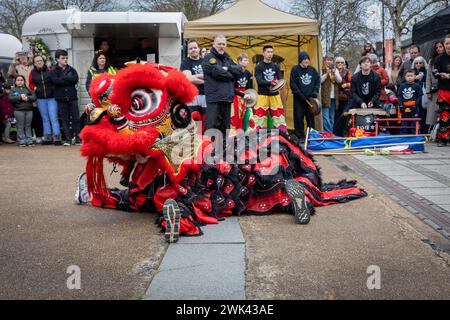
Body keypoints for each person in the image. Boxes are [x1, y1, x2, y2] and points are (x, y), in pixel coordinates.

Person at [202, 35, 243, 137]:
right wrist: (230, 74)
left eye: (223, 44)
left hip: (227, 99)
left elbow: (239, 70)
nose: (221, 46)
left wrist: (227, 68)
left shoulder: (228, 58)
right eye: (219, 44)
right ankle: (209, 150)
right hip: (214, 99)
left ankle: (224, 151)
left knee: (225, 129)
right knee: (212, 128)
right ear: (214, 45)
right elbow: (217, 72)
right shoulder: (209, 57)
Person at [50, 49, 81, 146]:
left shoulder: (72, 70)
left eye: (66, 58)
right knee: (65, 119)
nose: (65, 60)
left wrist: (62, 78)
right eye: (63, 58)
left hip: (72, 98)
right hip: (61, 99)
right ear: (57, 59)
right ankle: (68, 139)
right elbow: (56, 82)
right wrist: (68, 80)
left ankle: (78, 138)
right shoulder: (53, 71)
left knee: (76, 118)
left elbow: (75, 79)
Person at [29, 55, 61, 145]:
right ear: (34, 63)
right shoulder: (32, 72)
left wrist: (52, 88)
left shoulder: (50, 71)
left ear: (43, 61)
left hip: (52, 98)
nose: (39, 62)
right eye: (37, 61)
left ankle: (57, 137)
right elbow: (30, 84)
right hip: (40, 99)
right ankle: (47, 137)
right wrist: (35, 88)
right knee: (45, 118)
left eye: (40, 60)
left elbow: (55, 82)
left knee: (53, 117)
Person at [254, 45, 286, 131]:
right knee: (259, 118)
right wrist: (270, 82)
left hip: (274, 95)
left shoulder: (275, 66)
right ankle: (257, 138)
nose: (270, 54)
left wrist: (278, 82)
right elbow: (259, 81)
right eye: (268, 52)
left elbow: (280, 79)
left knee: (278, 117)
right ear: (263, 53)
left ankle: (282, 138)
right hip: (262, 95)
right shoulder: (258, 66)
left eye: (271, 52)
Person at [290, 51, 320, 140]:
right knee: (299, 118)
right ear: (300, 61)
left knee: (310, 118)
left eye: (307, 59)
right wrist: (299, 95)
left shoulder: (312, 70)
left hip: (310, 99)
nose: (307, 61)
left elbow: (317, 81)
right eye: (305, 59)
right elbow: (293, 84)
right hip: (299, 98)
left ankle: (311, 136)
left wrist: (315, 91)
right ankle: (300, 136)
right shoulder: (295, 70)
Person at [180, 39, 206, 127]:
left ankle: (206, 140)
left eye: (195, 48)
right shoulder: (185, 62)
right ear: (188, 51)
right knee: (194, 121)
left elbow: (210, 75)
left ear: (199, 49)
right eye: (191, 49)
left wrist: (196, 76)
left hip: (206, 95)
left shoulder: (205, 62)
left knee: (206, 120)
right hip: (192, 96)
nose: (193, 50)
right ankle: (196, 140)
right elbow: (189, 79)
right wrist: (206, 80)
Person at [432, 34, 450, 146]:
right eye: (447, 43)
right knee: (445, 114)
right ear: (444, 45)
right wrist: (441, 74)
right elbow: (435, 72)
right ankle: (443, 138)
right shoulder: (439, 58)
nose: (449, 45)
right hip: (444, 90)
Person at [8, 75, 36, 146]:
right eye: (18, 80)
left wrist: (27, 98)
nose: (20, 82)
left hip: (29, 110)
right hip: (18, 110)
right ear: (15, 82)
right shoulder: (13, 89)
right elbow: (11, 98)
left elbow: (34, 97)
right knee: (20, 126)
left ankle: (29, 140)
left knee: (28, 126)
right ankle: (21, 140)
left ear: (24, 81)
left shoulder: (28, 89)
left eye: (21, 80)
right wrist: (20, 97)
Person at [230, 53, 253, 134]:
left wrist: (249, 95)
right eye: (245, 60)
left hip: (245, 97)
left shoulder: (247, 73)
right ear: (239, 61)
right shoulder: (234, 72)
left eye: (248, 60)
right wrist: (242, 95)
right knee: (236, 116)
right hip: (236, 97)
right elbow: (231, 88)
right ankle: (234, 135)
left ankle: (246, 134)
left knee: (247, 115)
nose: (248, 62)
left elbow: (248, 87)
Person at [426, 41, 445, 130]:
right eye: (437, 47)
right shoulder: (431, 61)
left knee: (444, 111)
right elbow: (428, 77)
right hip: (434, 90)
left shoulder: (447, 59)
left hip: (445, 88)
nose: (438, 49)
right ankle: (434, 132)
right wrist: (428, 91)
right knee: (433, 113)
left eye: (440, 46)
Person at [321, 53, 342, 133]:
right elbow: (319, 81)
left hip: (334, 97)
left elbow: (339, 80)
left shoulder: (335, 69)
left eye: (331, 60)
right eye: (328, 60)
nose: (330, 62)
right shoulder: (322, 69)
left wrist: (335, 74)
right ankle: (329, 133)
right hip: (325, 97)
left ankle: (330, 133)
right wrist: (326, 74)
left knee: (331, 117)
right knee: (325, 117)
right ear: (325, 60)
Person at [398, 69, 422, 134]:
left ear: (414, 76)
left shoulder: (417, 86)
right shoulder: (402, 86)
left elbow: (419, 96)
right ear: (405, 77)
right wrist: (400, 105)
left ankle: (414, 135)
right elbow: (399, 96)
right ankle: (403, 135)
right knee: (404, 122)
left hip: (414, 106)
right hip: (404, 106)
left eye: (411, 76)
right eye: (408, 76)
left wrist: (415, 105)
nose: (410, 77)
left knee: (414, 122)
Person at [412, 56, 428, 133]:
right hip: (414, 95)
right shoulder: (412, 72)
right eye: (416, 63)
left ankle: (424, 131)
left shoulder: (426, 71)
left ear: (423, 63)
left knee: (423, 112)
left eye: (420, 63)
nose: (418, 64)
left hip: (424, 95)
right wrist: (415, 78)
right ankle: (414, 130)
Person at [335, 56, 351, 127]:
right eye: (338, 62)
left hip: (345, 97)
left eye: (341, 62)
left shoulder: (347, 71)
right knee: (336, 116)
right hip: (335, 98)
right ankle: (335, 133)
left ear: (344, 63)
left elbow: (352, 83)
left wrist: (346, 84)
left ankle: (343, 132)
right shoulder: (333, 71)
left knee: (344, 115)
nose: (340, 64)